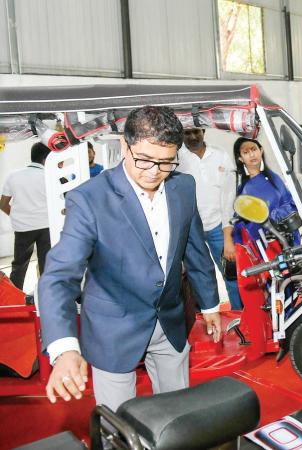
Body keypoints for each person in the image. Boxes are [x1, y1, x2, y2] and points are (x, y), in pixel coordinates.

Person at [38, 106, 222, 412]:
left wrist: (211, 305)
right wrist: (65, 347)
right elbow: (59, 276)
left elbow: (195, 248)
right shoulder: (89, 199)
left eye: (166, 162)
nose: (153, 171)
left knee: (178, 416)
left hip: (169, 322)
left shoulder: (183, 187)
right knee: (119, 427)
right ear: (124, 145)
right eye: (144, 159)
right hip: (113, 329)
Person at [177, 127, 241, 310]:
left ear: (203, 132)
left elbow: (230, 195)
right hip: (190, 229)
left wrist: (229, 232)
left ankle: (239, 315)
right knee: (199, 276)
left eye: (196, 132)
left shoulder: (220, 155)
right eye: (187, 133)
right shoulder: (177, 159)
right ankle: (203, 318)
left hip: (219, 227)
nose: (192, 136)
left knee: (231, 274)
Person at [0, 142, 51, 290]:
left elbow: (3, 204)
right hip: (45, 226)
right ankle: (45, 296)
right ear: (45, 158)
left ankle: (15, 296)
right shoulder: (49, 176)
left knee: (19, 265)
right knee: (46, 264)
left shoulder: (13, 175)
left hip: (22, 228)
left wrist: (16, 215)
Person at [232, 137, 298, 246]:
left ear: (261, 150)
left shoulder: (274, 178)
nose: (252, 155)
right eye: (246, 152)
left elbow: (291, 204)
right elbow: (240, 224)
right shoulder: (243, 189)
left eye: (254, 149)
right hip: (262, 247)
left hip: (287, 239)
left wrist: (275, 215)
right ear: (240, 158)